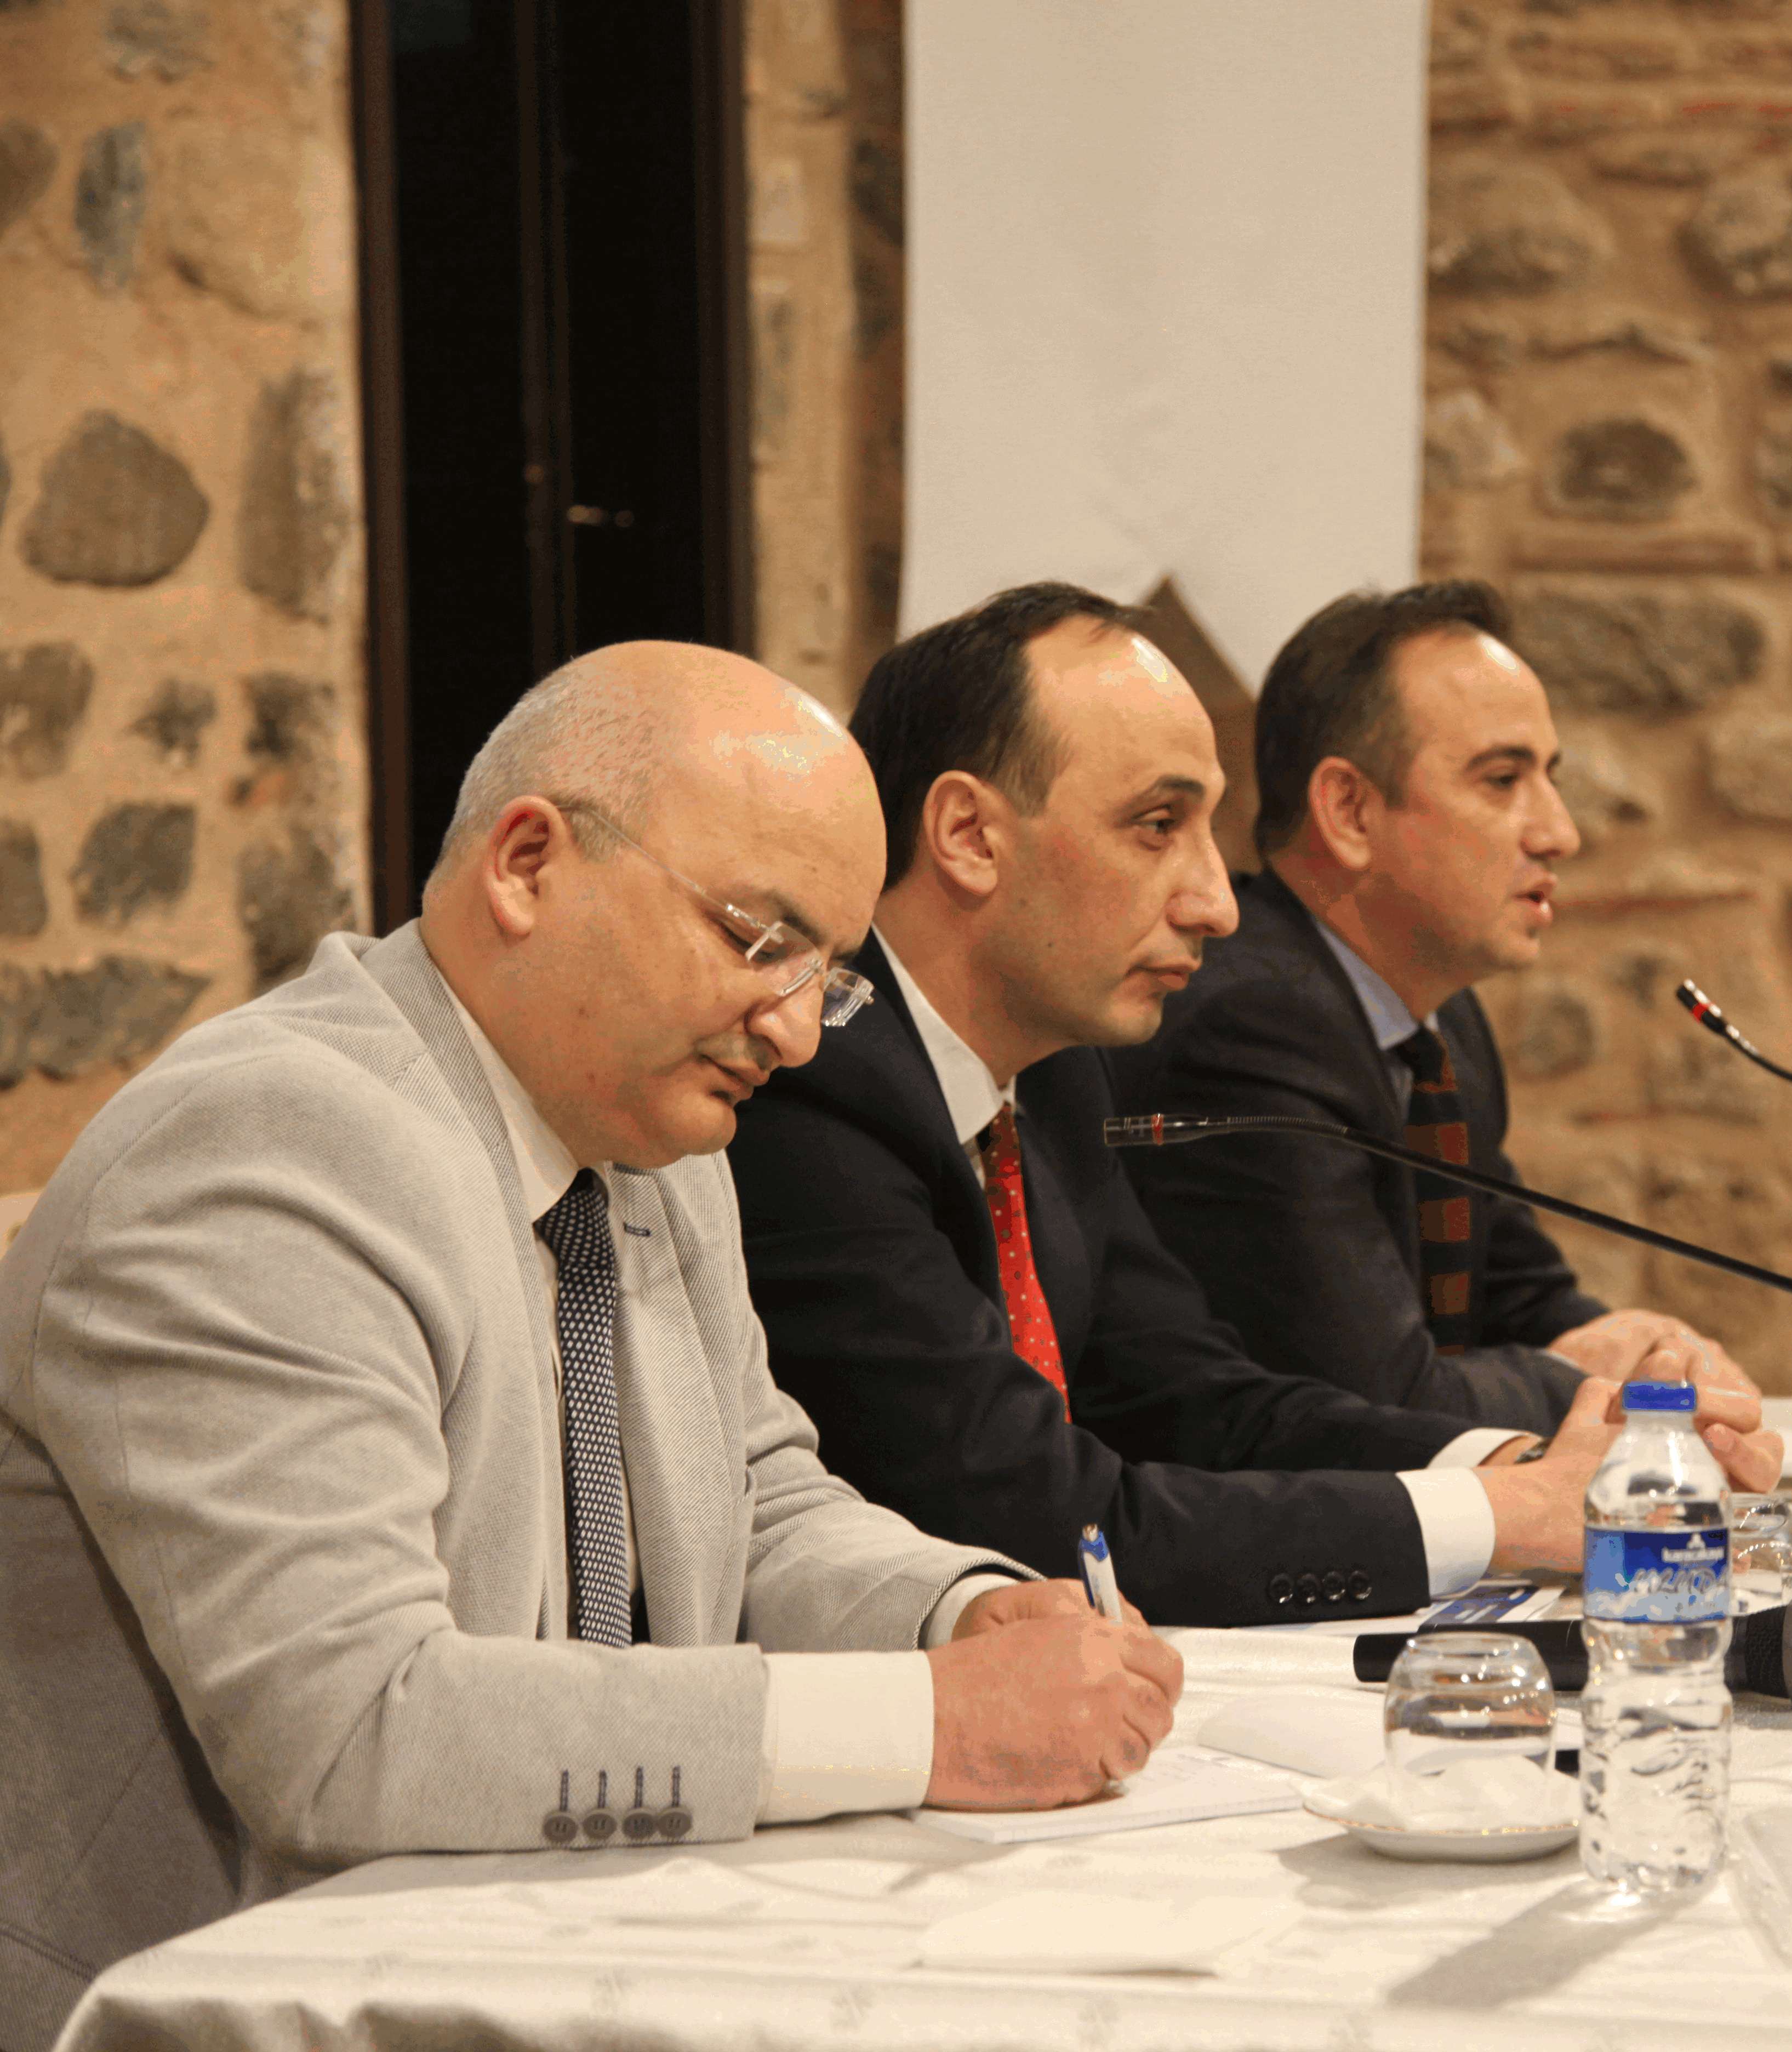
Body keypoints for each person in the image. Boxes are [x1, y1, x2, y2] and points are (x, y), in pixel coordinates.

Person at [0, 645, 1180, 2046]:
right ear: (528, 863)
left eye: (828, 978)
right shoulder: (268, 1147)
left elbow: (758, 1501)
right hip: (227, 1999)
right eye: (758, 940)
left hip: (526, 1950)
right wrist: (928, 1720)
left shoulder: (651, 1141)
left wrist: (959, 1613)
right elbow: (351, 1728)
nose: (798, 1033)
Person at [724, 584, 1779, 1628]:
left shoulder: (1052, 1074)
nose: (1217, 902)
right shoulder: (816, 1091)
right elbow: (1047, 1516)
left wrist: (1521, 1466)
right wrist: (1503, 1516)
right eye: (1157, 826)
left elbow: (1193, 1399)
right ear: (968, 835)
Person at [1107, 582, 1751, 1433]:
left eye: (1549, 778)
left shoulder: (1441, 1026)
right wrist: (1600, 1386)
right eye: (1503, 780)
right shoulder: (1250, 1029)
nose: (1559, 833)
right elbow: (1377, 1397)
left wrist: (1658, 1358)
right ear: (1349, 811)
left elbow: (1519, 1296)